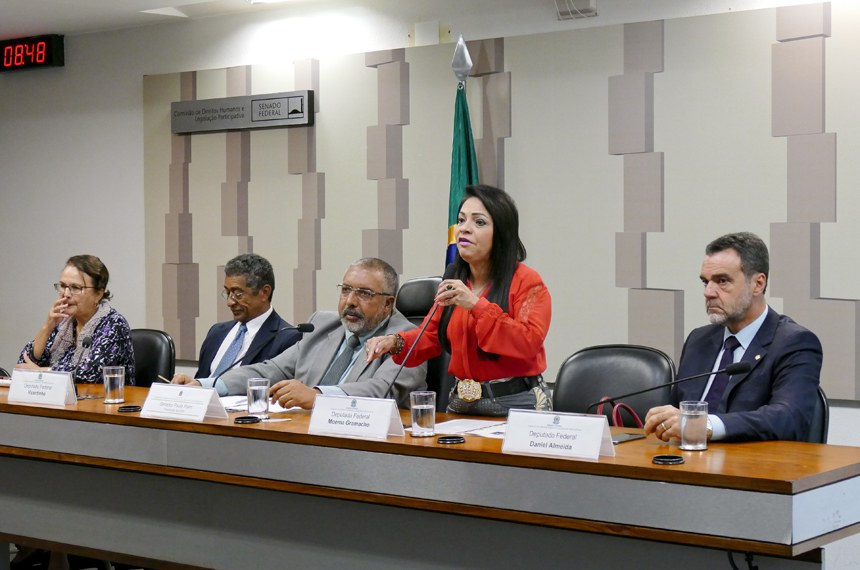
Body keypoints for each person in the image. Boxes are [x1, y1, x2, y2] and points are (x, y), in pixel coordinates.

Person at [365, 184, 552, 417]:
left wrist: (476, 305)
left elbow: (528, 342)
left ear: (502, 232)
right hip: (461, 404)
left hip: (517, 403)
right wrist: (393, 342)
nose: (464, 229)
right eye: (461, 220)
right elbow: (430, 336)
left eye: (479, 222)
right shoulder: (455, 278)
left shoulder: (527, 281)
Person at [173, 257, 426, 409]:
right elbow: (269, 370)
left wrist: (317, 396)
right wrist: (207, 385)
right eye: (346, 290)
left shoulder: (407, 338)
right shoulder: (323, 325)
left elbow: (381, 391)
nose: (350, 301)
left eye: (364, 293)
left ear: (388, 304)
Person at [644, 232, 823, 442]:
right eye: (705, 282)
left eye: (722, 281)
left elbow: (788, 418)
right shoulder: (699, 340)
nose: (708, 292)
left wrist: (705, 425)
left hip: (752, 460)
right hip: (686, 457)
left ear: (758, 284)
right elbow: (677, 413)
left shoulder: (795, 343)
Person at [171, 253, 302, 384]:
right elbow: (200, 378)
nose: (230, 302)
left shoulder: (287, 338)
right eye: (228, 293)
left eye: (238, 294)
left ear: (264, 292)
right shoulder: (217, 332)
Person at [17, 254, 135, 385]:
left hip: (104, 398)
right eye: (63, 286)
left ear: (98, 294)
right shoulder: (63, 324)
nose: (66, 294)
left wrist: (42, 372)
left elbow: (89, 375)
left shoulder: (114, 325)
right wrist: (47, 327)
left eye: (76, 288)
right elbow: (23, 364)